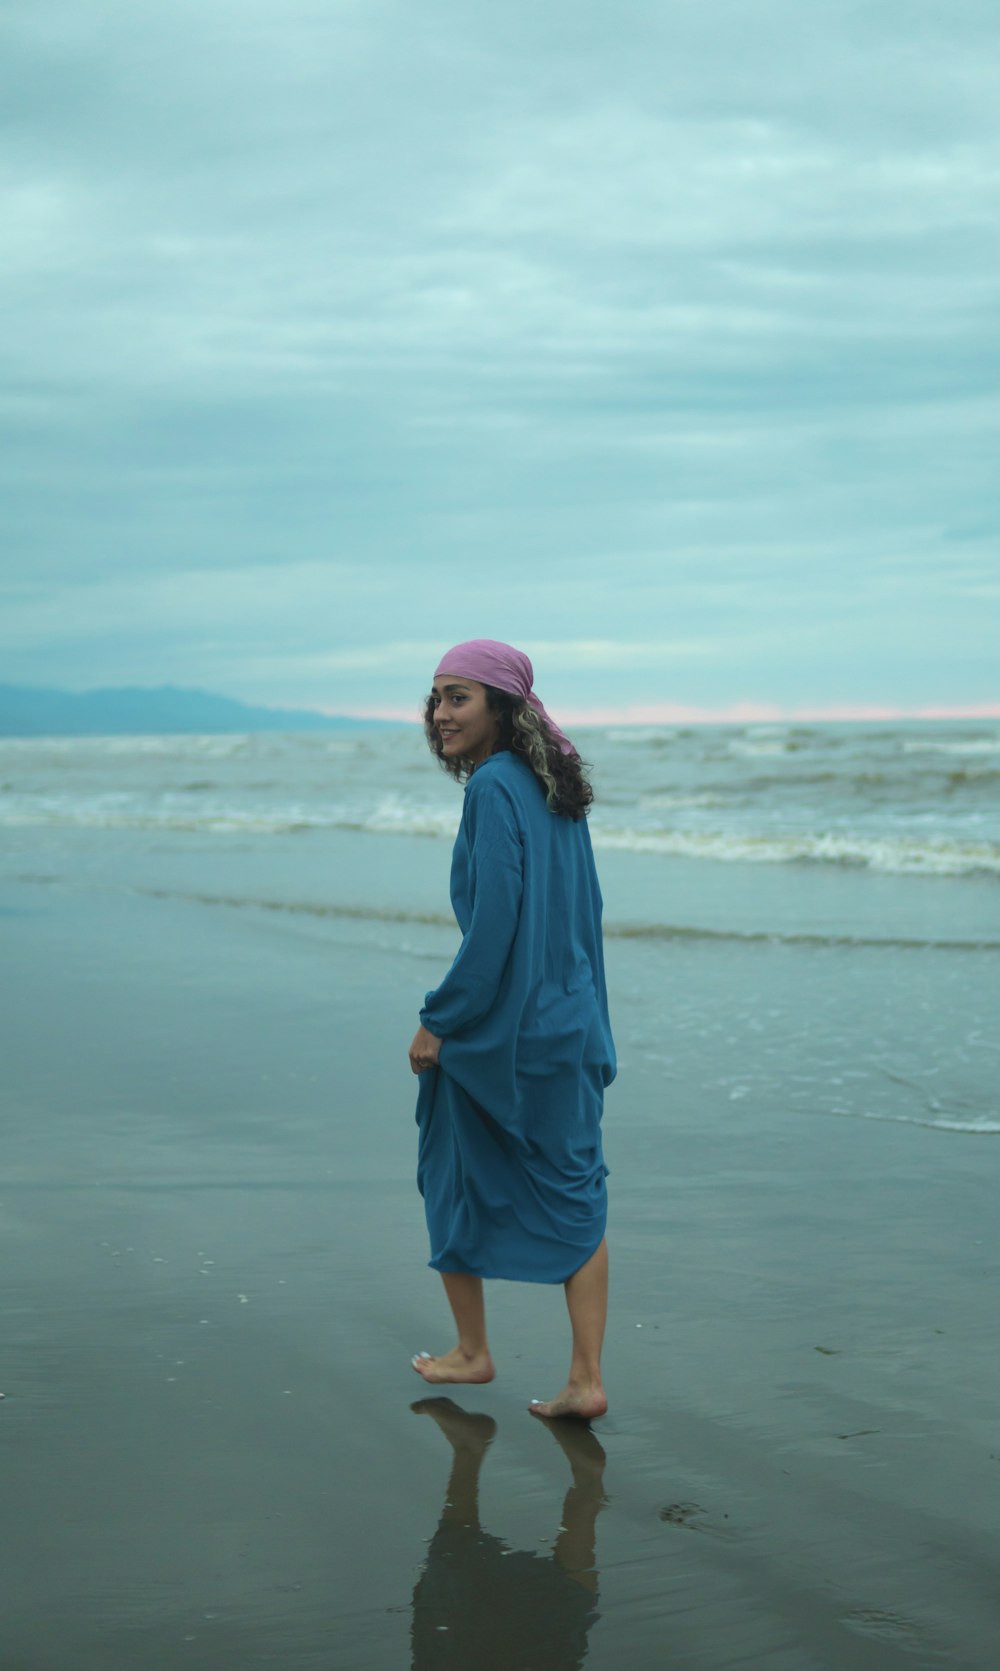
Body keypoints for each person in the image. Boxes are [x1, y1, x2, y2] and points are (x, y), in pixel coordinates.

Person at [408, 639, 616, 1419]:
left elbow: (493, 926)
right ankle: (585, 1378)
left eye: (458, 697)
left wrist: (439, 1018)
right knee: (577, 1191)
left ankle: (472, 1350)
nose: (440, 713)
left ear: (502, 705)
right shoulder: (555, 785)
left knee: (448, 1166)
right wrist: (592, 1015)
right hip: (570, 1022)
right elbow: (585, 917)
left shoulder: (495, 787)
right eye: (434, 698)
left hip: (506, 1028)